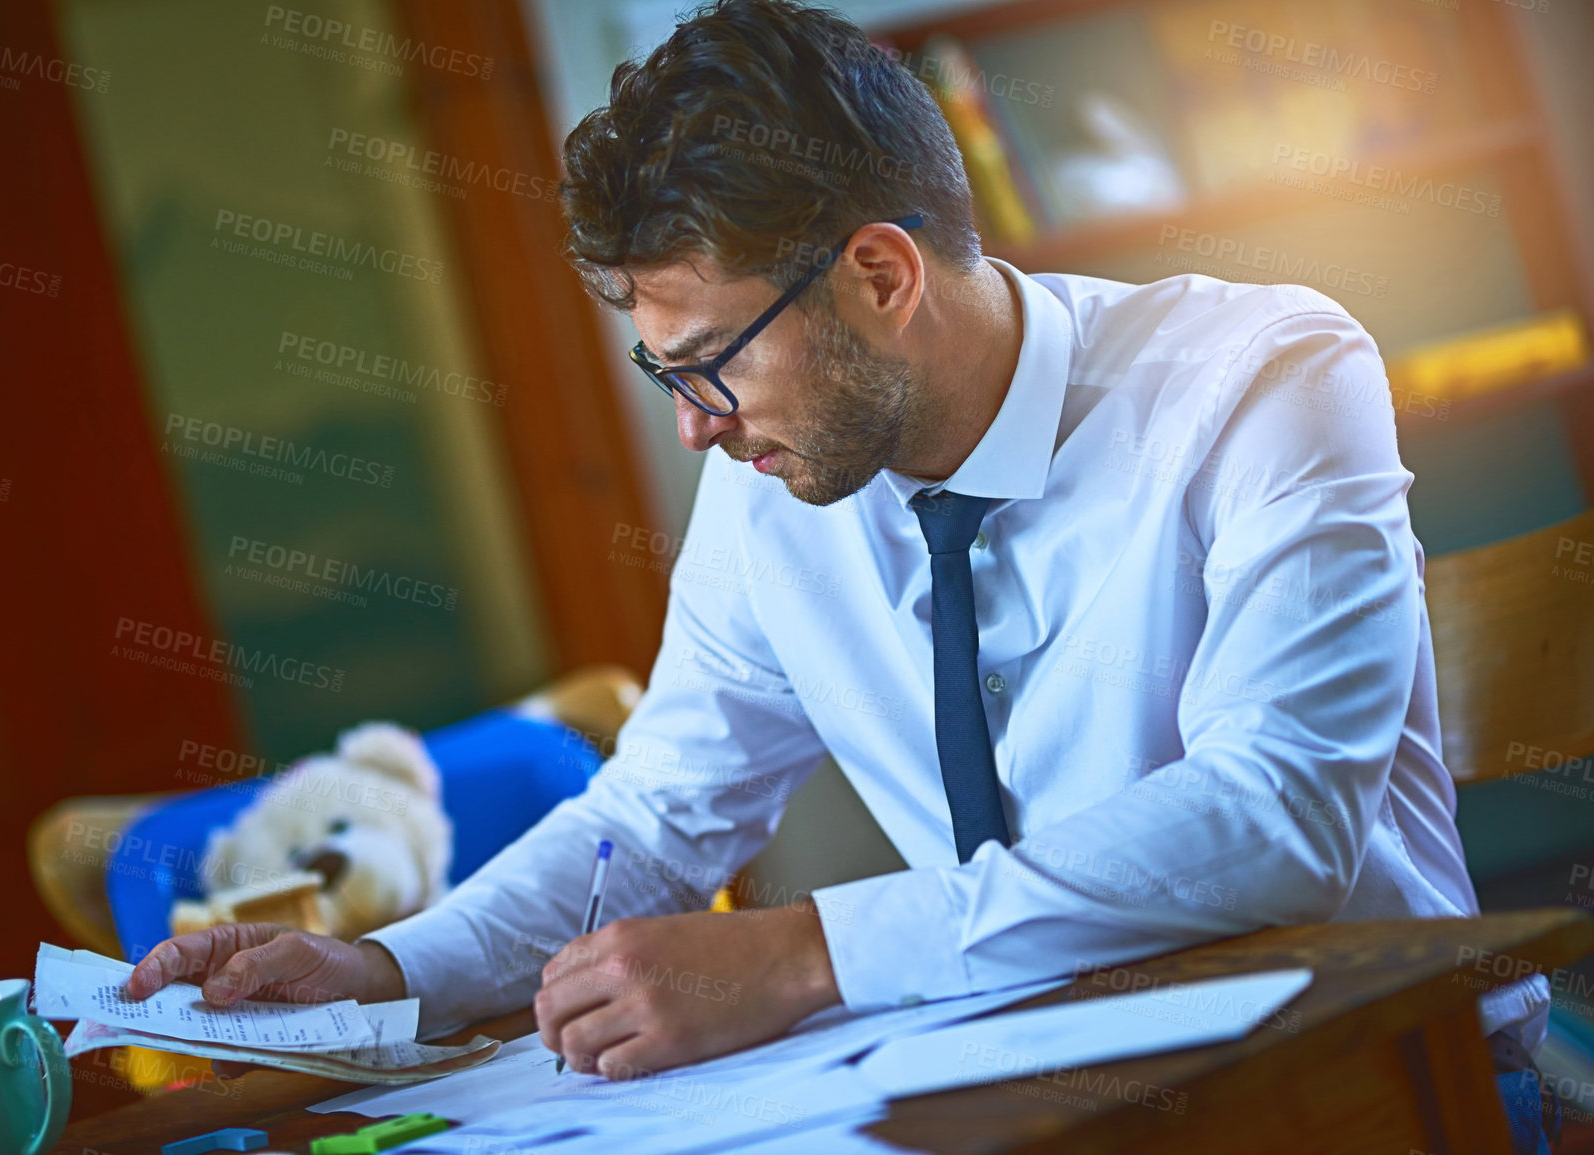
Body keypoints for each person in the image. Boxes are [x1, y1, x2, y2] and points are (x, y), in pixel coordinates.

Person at [126, 1, 1556, 1146]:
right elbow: (658, 813)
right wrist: (397, 970)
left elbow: (1279, 815)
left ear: (881, 275)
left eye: (709, 365)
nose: (693, 424)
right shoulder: (776, 480)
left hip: (1369, 1079)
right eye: (660, 371)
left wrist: (810, 953)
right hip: (1042, 1100)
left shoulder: (1264, 373)